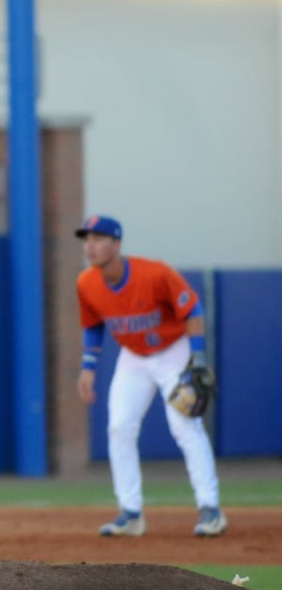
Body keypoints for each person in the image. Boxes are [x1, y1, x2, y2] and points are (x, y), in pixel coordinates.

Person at [74, 214, 227, 538]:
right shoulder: (86, 283)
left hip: (173, 351)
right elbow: (92, 326)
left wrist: (197, 358)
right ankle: (130, 514)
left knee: (184, 426)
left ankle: (210, 508)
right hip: (134, 358)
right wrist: (88, 367)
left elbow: (193, 310)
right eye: (87, 239)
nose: (91, 245)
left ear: (116, 244)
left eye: (99, 239)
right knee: (119, 428)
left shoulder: (155, 273)